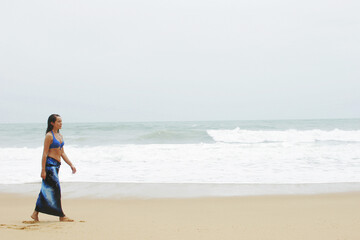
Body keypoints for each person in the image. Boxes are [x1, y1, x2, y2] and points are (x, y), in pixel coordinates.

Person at [31, 114, 76, 222]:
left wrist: (71, 165)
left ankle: (35, 213)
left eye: (61, 121)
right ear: (52, 123)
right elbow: (44, 154)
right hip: (49, 165)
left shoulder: (60, 136)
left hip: (57, 165)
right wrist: (43, 170)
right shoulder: (49, 136)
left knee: (46, 190)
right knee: (56, 190)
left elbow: (62, 153)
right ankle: (61, 216)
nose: (61, 123)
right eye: (58, 121)